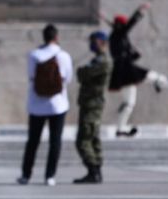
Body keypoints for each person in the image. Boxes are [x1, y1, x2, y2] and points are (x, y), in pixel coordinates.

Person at [106, 3, 168, 137]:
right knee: (154, 78)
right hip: (126, 70)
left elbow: (124, 53)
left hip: (123, 71)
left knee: (129, 103)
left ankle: (120, 129)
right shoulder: (118, 35)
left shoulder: (117, 37)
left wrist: (134, 54)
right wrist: (140, 11)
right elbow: (129, 25)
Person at [17, 24, 73, 186]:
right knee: (55, 141)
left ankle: (26, 174)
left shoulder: (34, 55)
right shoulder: (64, 56)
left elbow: (30, 76)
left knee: (33, 141)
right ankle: (50, 176)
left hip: (36, 104)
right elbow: (68, 79)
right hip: (58, 104)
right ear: (56, 37)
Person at [73, 31, 111, 184]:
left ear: (101, 42)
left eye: (93, 41)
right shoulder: (97, 60)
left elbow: (83, 74)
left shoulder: (102, 62)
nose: (91, 44)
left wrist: (82, 71)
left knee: (83, 139)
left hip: (92, 105)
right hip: (89, 104)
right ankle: (95, 172)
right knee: (93, 138)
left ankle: (93, 170)